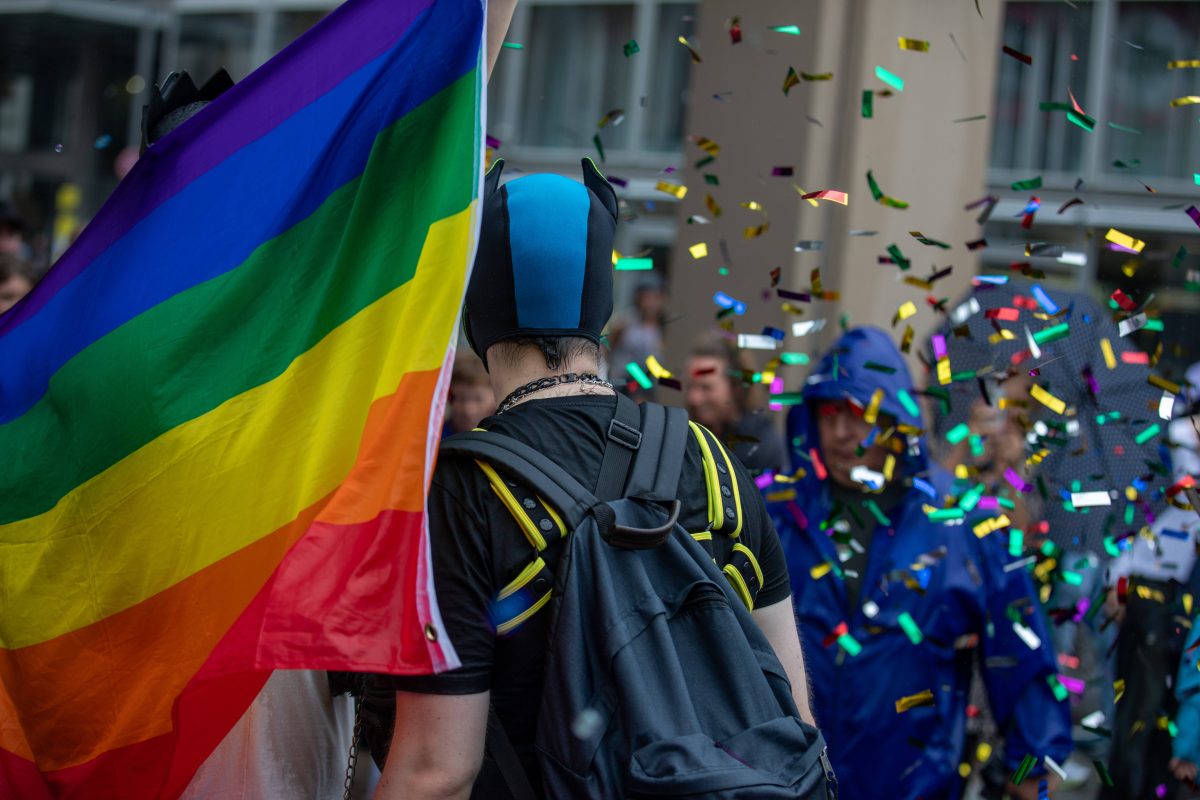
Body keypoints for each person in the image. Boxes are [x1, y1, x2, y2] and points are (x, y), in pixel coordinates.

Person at [366, 157, 815, 800]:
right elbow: (791, 718)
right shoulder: (716, 464)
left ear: (477, 306)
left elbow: (437, 772)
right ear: (602, 303)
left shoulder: (463, 490)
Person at [766, 326, 1072, 800]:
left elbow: (1019, 649)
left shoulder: (965, 522)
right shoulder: (775, 514)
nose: (845, 433)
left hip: (912, 785)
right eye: (830, 415)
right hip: (784, 784)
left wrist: (1033, 765)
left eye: (861, 416)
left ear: (895, 421)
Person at [1102, 398, 1200, 800]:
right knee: (1140, 706)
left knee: (1163, 709)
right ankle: (1123, 791)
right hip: (1149, 589)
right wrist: (1118, 583)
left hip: (1182, 595)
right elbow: (1130, 516)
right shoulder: (1168, 446)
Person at [685, 335, 788, 473]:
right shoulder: (686, 441)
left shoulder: (764, 447)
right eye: (690, 387)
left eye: (706, 387)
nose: (694, 398)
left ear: (736, 388)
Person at [607, 274, 667, 401]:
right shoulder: (626, 321)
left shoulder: (660, 326)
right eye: (647, 297)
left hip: (645, 383)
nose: (650, 303)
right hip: (623, 381)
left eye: (655, 297)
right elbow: (608, 348)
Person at [444, 350, 496, 436]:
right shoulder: (435, 439)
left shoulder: (507, 438)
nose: (468, 410)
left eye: (478, 399)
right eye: (460, 398)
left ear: (495, 398)